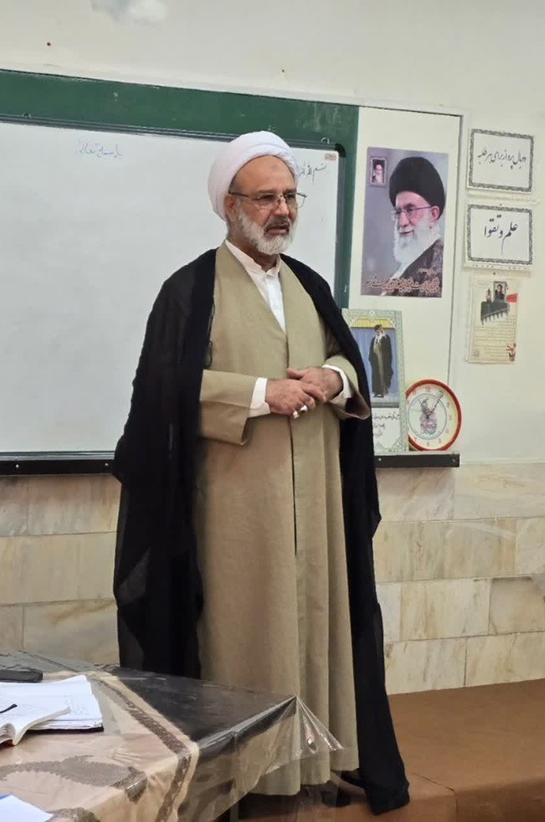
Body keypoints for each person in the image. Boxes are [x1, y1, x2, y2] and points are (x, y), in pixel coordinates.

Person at [112, 131, 409, 815]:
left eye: (290, 197)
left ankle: (311, 767)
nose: (282, 210)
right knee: (246, 639)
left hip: (317, 512)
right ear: (230, 205)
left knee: (316, 629)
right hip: (236, 514)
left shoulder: (309, 285)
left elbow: (348, 363)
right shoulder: (190, 290)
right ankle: (245, 780)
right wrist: (257, 394)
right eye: (266, 198)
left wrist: (333, 379)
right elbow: (163, 392)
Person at [379, 156, 444, 297]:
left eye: (410, 210)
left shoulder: (440, 270)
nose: (402, 222)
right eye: (398, 212)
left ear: (433, 215)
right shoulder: (405, 268)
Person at [369, 324, 394, 398]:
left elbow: (388, 349)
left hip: (383, 360)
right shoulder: (374, 339)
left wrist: (383, 336)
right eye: (377, 330)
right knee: (375, 376)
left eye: (380, 329)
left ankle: (383, 392)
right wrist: (371, 358)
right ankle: (376, 392)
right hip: (375, 360)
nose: (379, 331)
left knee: (382, 374)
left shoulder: (385, 338)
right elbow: (371, 350)